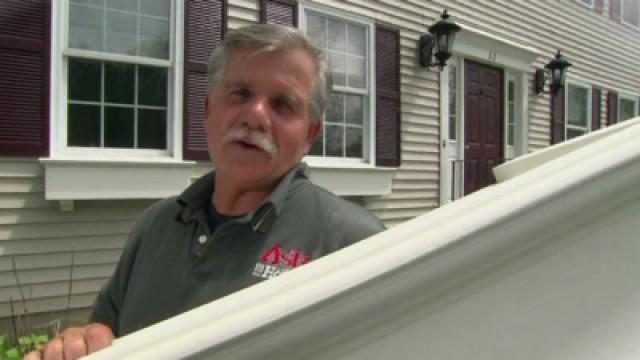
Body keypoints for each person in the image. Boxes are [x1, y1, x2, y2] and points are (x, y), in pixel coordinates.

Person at [27, 23, 384, 359]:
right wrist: (81, 342)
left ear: (310, 135)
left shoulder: (353, 244)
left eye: (282, 104)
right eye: (240, 93)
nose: (255, 116)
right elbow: (105, 330)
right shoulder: (156, 225)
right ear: (208, 109)